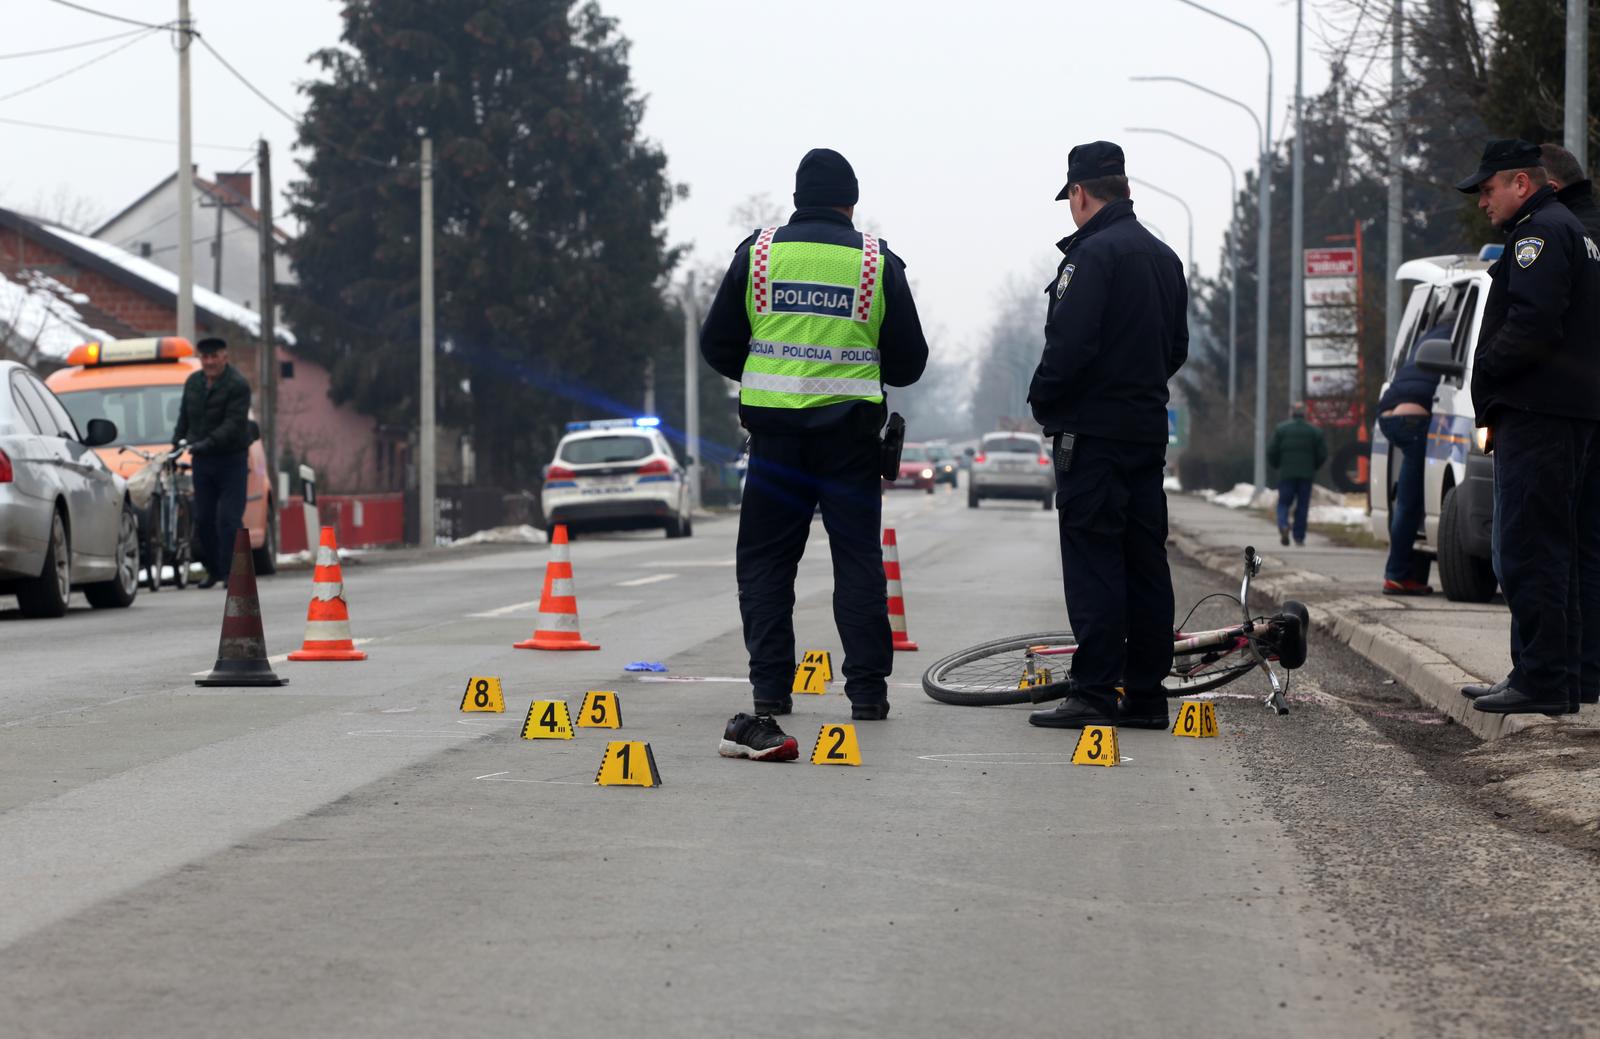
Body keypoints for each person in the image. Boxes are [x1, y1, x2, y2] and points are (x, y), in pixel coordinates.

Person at [700, 148, 929, 760]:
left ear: (797, 197)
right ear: (850, 202)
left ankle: (770, 690)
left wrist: (764, 370)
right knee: (857, 561)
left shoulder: (759, 255)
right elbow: (909, 362)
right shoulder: (878, 262)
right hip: (851, 441)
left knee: (768, 564)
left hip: (775, 442)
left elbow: (718, 343)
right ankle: (867, 694)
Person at [1024, 140, 1188, 732]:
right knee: (1145, 563)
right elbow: (1176, 349)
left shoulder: (1090, 257)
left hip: (1091, 436)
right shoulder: (1163, 257)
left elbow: (1068, 347)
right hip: (1145, 433)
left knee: (1094, 561)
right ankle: (1145, 693)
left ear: (1081, 192)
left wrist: (1044, 400)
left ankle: (1093, 692)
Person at [1452, 139, 1600, 716]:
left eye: (1488, 190)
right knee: (1564, 551)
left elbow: (1534, 323)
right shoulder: (1578, 231)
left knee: (1528, 550)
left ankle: (1540, 680)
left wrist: (1486, 368)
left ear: (1521, 183)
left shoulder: (1540, 234)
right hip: (1571, 413)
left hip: (1540, 414)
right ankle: (1563, 679)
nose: (1482, 202)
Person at [173, 336, 252, 589]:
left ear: (224, 357)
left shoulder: (238, 385)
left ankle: (234, 572)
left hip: (232, 460)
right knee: (203, 518)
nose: (209, 362)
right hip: (203, 461)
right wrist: (175, 444)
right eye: (204, 357)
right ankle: (214, 570)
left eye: (214, 356)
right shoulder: (193, 383)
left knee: (229, 519)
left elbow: (234, 423)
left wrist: (209, 441)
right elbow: (184, 417)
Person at [1377, 327, 1446, 595]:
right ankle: (1396, 575)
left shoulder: (1428, 334)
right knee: (1409, 503)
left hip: (1388, 414)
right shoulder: (1461, 331)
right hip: (1413, 422)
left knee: (1407, 499)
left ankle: (1400, 573)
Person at [1266, 403, 1327, 547]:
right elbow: (1322, 454)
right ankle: (1299, 537)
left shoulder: (1281, 430)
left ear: (1291, 413)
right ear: (1305, 414)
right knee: (1302, 505)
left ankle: (1283, 524)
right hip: (1306, 474)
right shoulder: (1315, 432)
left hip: (1287, 473)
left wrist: (1277, 465)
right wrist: (1314, 467)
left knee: (1283, 503)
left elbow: (1271, 451)